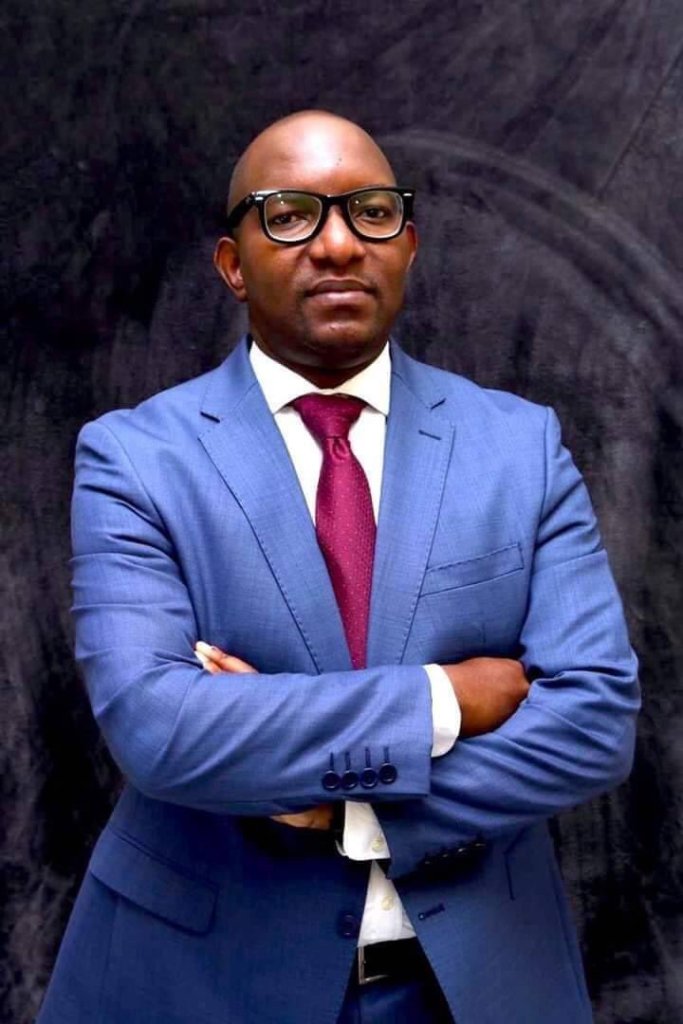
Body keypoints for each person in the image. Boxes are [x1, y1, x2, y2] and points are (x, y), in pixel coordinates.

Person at [37, 110, 639, 1024]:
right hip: (208, 982)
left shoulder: (519, 446)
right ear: (232, 265)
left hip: (478, 981)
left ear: (408, 246)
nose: (337, 244)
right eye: (289, 215)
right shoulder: (135, 458)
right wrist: (444, 699)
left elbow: (594, 722)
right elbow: (160, 729)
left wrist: (351, 809)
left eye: (371, 212)